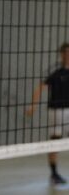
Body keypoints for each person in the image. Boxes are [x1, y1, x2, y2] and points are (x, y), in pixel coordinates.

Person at [27, 42, 69, 185]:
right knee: (55, 142)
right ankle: (54, 174)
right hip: (56, 112)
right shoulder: (56, 71)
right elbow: (40, 87)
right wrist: (33, 105)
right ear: (61, 54)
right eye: (65, 53)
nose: (67, 55)